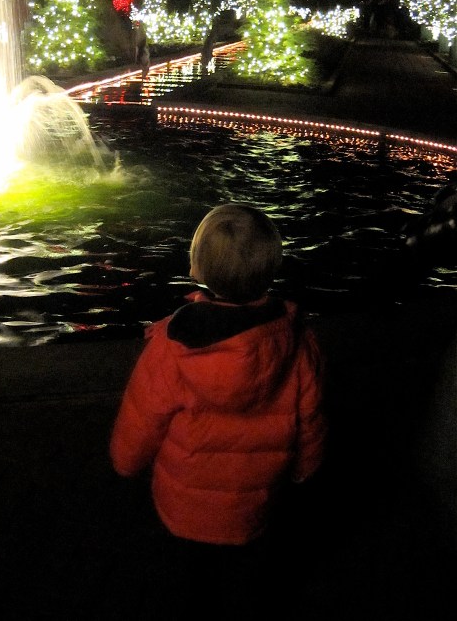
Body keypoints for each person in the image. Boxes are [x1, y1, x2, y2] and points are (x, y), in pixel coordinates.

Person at [110, 203, 327, 611]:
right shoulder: (298, 341)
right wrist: (304, 471)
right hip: (256, 505)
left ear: (198, 267)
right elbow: (310, 419)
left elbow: (142, 418)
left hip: (183, 509)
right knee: (246, 586)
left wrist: (126, 464)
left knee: (191, 587)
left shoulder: (174, 346)